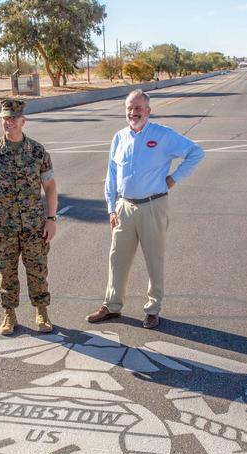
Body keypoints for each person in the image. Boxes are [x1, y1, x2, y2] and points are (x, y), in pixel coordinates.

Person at [86, 89, 204, 329]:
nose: (133, 112)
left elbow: (196, 152)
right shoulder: (119, 137)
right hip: (124, 207)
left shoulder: (162, 135)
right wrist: (111, 207)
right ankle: (112, 306)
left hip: (153, 206)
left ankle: (153, 309)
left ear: (148, 111)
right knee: (117, 258)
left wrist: (173, 179)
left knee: (154, 259)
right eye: (130, 108)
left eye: (138, 108)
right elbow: (111, 175)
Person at [0, 99, 58, 336]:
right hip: (3, 227)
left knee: (38, 270)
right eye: (5, 118)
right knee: (7, 272)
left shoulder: (37, 151)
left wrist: (51, 219)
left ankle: (41, 312)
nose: (9, 122)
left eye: (13, 118)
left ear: (23, 121)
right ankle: (9, 314)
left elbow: (50, 186)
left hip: (34, 225)